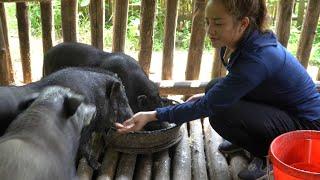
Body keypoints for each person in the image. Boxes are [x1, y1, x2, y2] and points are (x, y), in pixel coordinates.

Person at [115, 0, 320, 179]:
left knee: (220, 113)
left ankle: (266, 156)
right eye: (207, 22)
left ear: (243, 24)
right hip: (281, 108)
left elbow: (210, 106)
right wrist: (208, 95)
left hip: (306, 130)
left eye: (218, 23)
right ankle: (249, 142)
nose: (209, 30)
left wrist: (152, 115)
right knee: (214, 87)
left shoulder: (259, 58)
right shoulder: (244, 40)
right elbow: (231, 85)